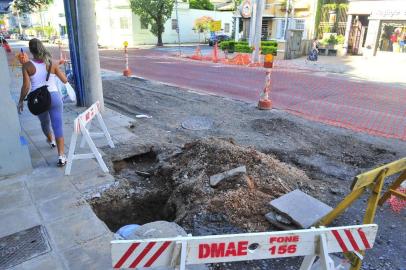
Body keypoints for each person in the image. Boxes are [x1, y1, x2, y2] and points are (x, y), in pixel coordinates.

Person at [18, 38, 68, 166]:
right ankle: (61, 156)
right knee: (58, 126)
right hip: (54, 97)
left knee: (45, 123)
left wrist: (20, 101)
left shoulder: (27, 66)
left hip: (39, 100)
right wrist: (57, 68)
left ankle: (51, 140)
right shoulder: (53, 63)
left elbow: (26, 86)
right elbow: (64, 80)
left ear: (30, 50)